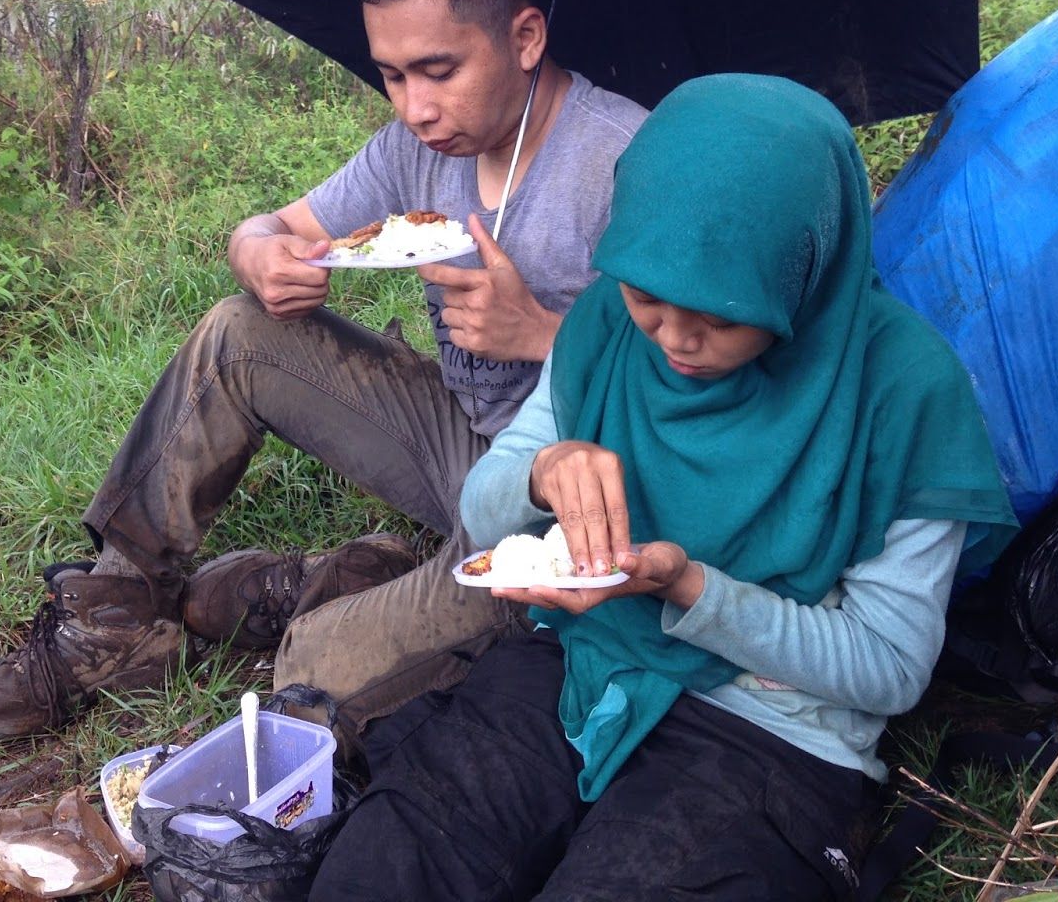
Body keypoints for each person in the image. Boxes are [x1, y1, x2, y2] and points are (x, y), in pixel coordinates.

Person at [0, 0, 650, 740]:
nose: (413, 107)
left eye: (439, 70)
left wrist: (545, 335)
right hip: (456, 439)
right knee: (239, 334)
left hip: (559, 507)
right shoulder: (415, 149)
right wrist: (262, 256)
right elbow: (274, 228)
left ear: (525, 37)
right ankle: (117, 621)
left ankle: (335, 588)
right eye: (391, 74)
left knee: (313, 669)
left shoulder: (625, 161)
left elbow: (713, 377)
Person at [309, 74, 1018, 901]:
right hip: (586, 659)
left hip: (772, 728)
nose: (675, 339)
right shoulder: (609, 323)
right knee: (395, 859)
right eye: (649, 295)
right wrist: (543, 469)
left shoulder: (903, 394)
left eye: (720, 316)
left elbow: (890, 667)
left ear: (804, 271)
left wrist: (691, 587)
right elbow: (483, 506)